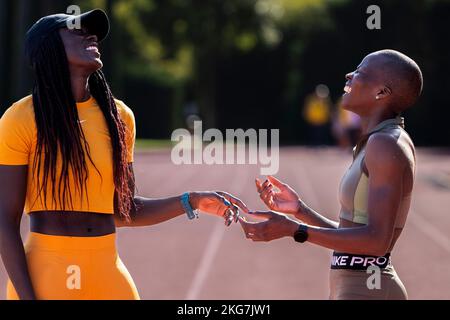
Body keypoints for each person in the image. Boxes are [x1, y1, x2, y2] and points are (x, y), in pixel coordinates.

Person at [0, 9, 246, 300]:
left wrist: (190, 200)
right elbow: (5, 218)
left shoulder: (120, 117)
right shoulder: (21, 118)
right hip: (47, 274)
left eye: (92, 32)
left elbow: (124, 209)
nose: (91, 35)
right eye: (77, 30)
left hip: (108, 272)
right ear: (47, 47)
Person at [240, 49, 423, 300]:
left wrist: (295, 230)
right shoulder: (377, 140)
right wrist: (300, 211)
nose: (349, 75)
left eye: (360, 72)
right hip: (355, 285)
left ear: (381, 92)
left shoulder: (385, 143)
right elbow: (355, 234)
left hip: (368, 289)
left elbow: (377, 241)